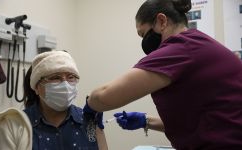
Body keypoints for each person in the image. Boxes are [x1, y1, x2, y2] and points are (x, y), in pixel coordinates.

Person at [83, 0, 242, 149]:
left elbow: (104, 96)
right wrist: (146, 121)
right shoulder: (197, 44)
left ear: (161, 21)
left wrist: (90, 106)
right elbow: (202, 122)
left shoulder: (181, 49)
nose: (144, 42)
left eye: (143, 34)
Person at [24, 50, 108, 150]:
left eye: (71, 77)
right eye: (55, 77)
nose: (65, 84)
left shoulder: (90, 121)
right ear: (36, 87)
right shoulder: (19, 124)